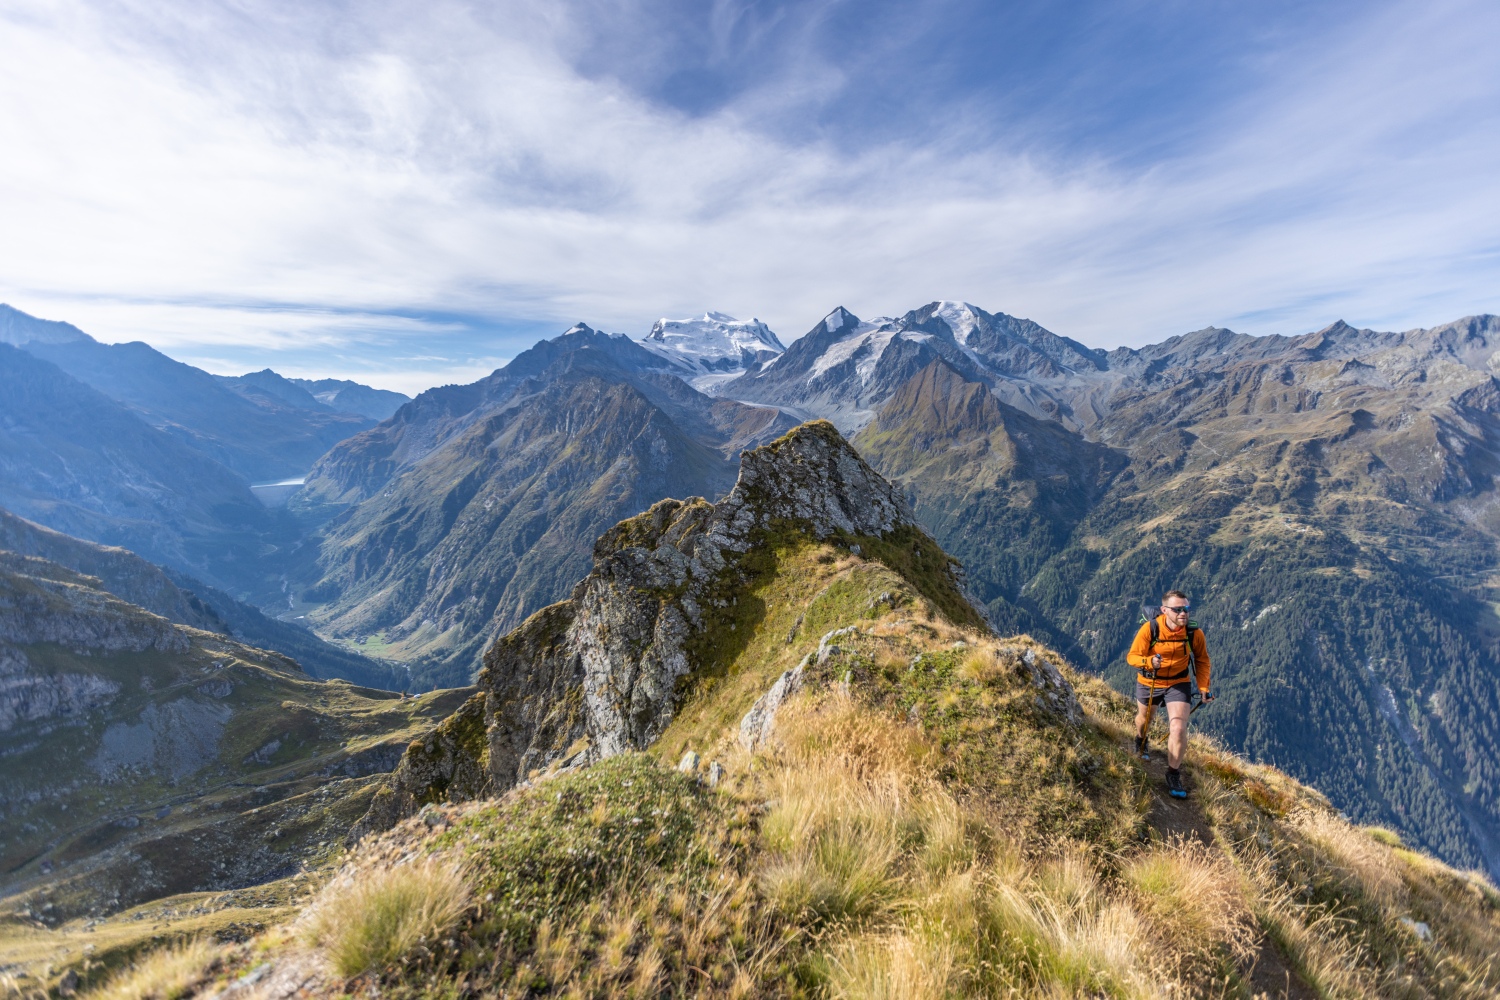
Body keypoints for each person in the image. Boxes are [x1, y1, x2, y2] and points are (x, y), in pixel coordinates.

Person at [1127, 590, 1212, 798]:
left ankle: (1173, 773)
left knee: (1178, 726)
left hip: (1178, 681)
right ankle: (1141, 739)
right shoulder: (1150, 629)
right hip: (1150, 680)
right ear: (1164, 610)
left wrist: (1203, 688)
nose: (1184, 613)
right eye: (1178, 609)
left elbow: (1202, 660)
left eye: (1186, 609)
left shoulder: (1193, 633)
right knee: (1145, 719)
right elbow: (1132, 657)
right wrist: (1148, 662)